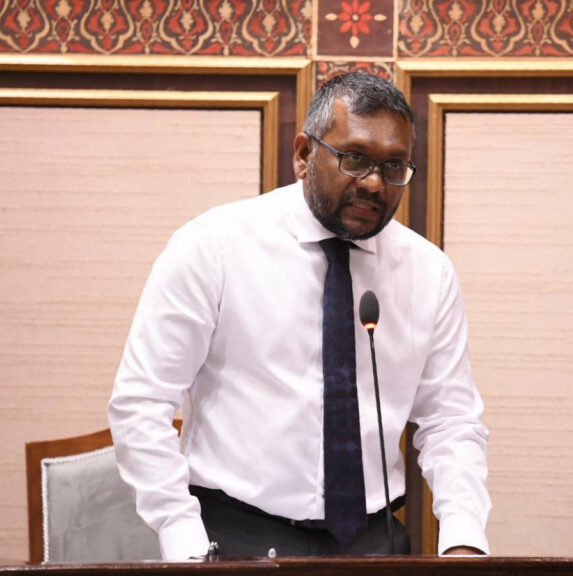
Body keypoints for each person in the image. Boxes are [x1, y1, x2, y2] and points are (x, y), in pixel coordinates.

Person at [108, 72, 491, 561]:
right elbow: (141, 403)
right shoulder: (213, 247)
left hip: (373, 541)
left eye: (394, 166)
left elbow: (450, 421)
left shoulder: (428, 272)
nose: (374, 183)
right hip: (233, 537)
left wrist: (463, 539)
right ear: (305, 154)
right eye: (355, 158)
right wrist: (184, 540)